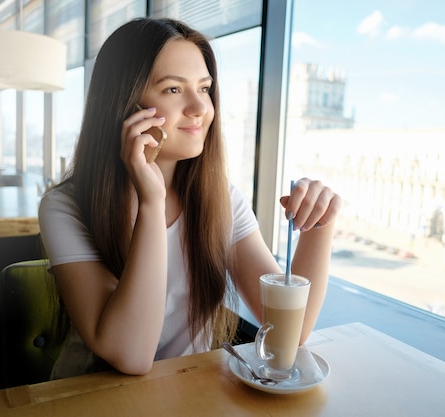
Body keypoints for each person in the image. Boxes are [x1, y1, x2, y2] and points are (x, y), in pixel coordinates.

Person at [38, 17, 342, 380]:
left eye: (205, 87)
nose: (200, 107)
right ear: (124, 106)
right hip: (89, 397)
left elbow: (289, 333)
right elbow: (131, 356)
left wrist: (319, 225)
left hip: (187, 391)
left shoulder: (222, 200)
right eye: (172, 90)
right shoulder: (65, 207)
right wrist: (151, 202)